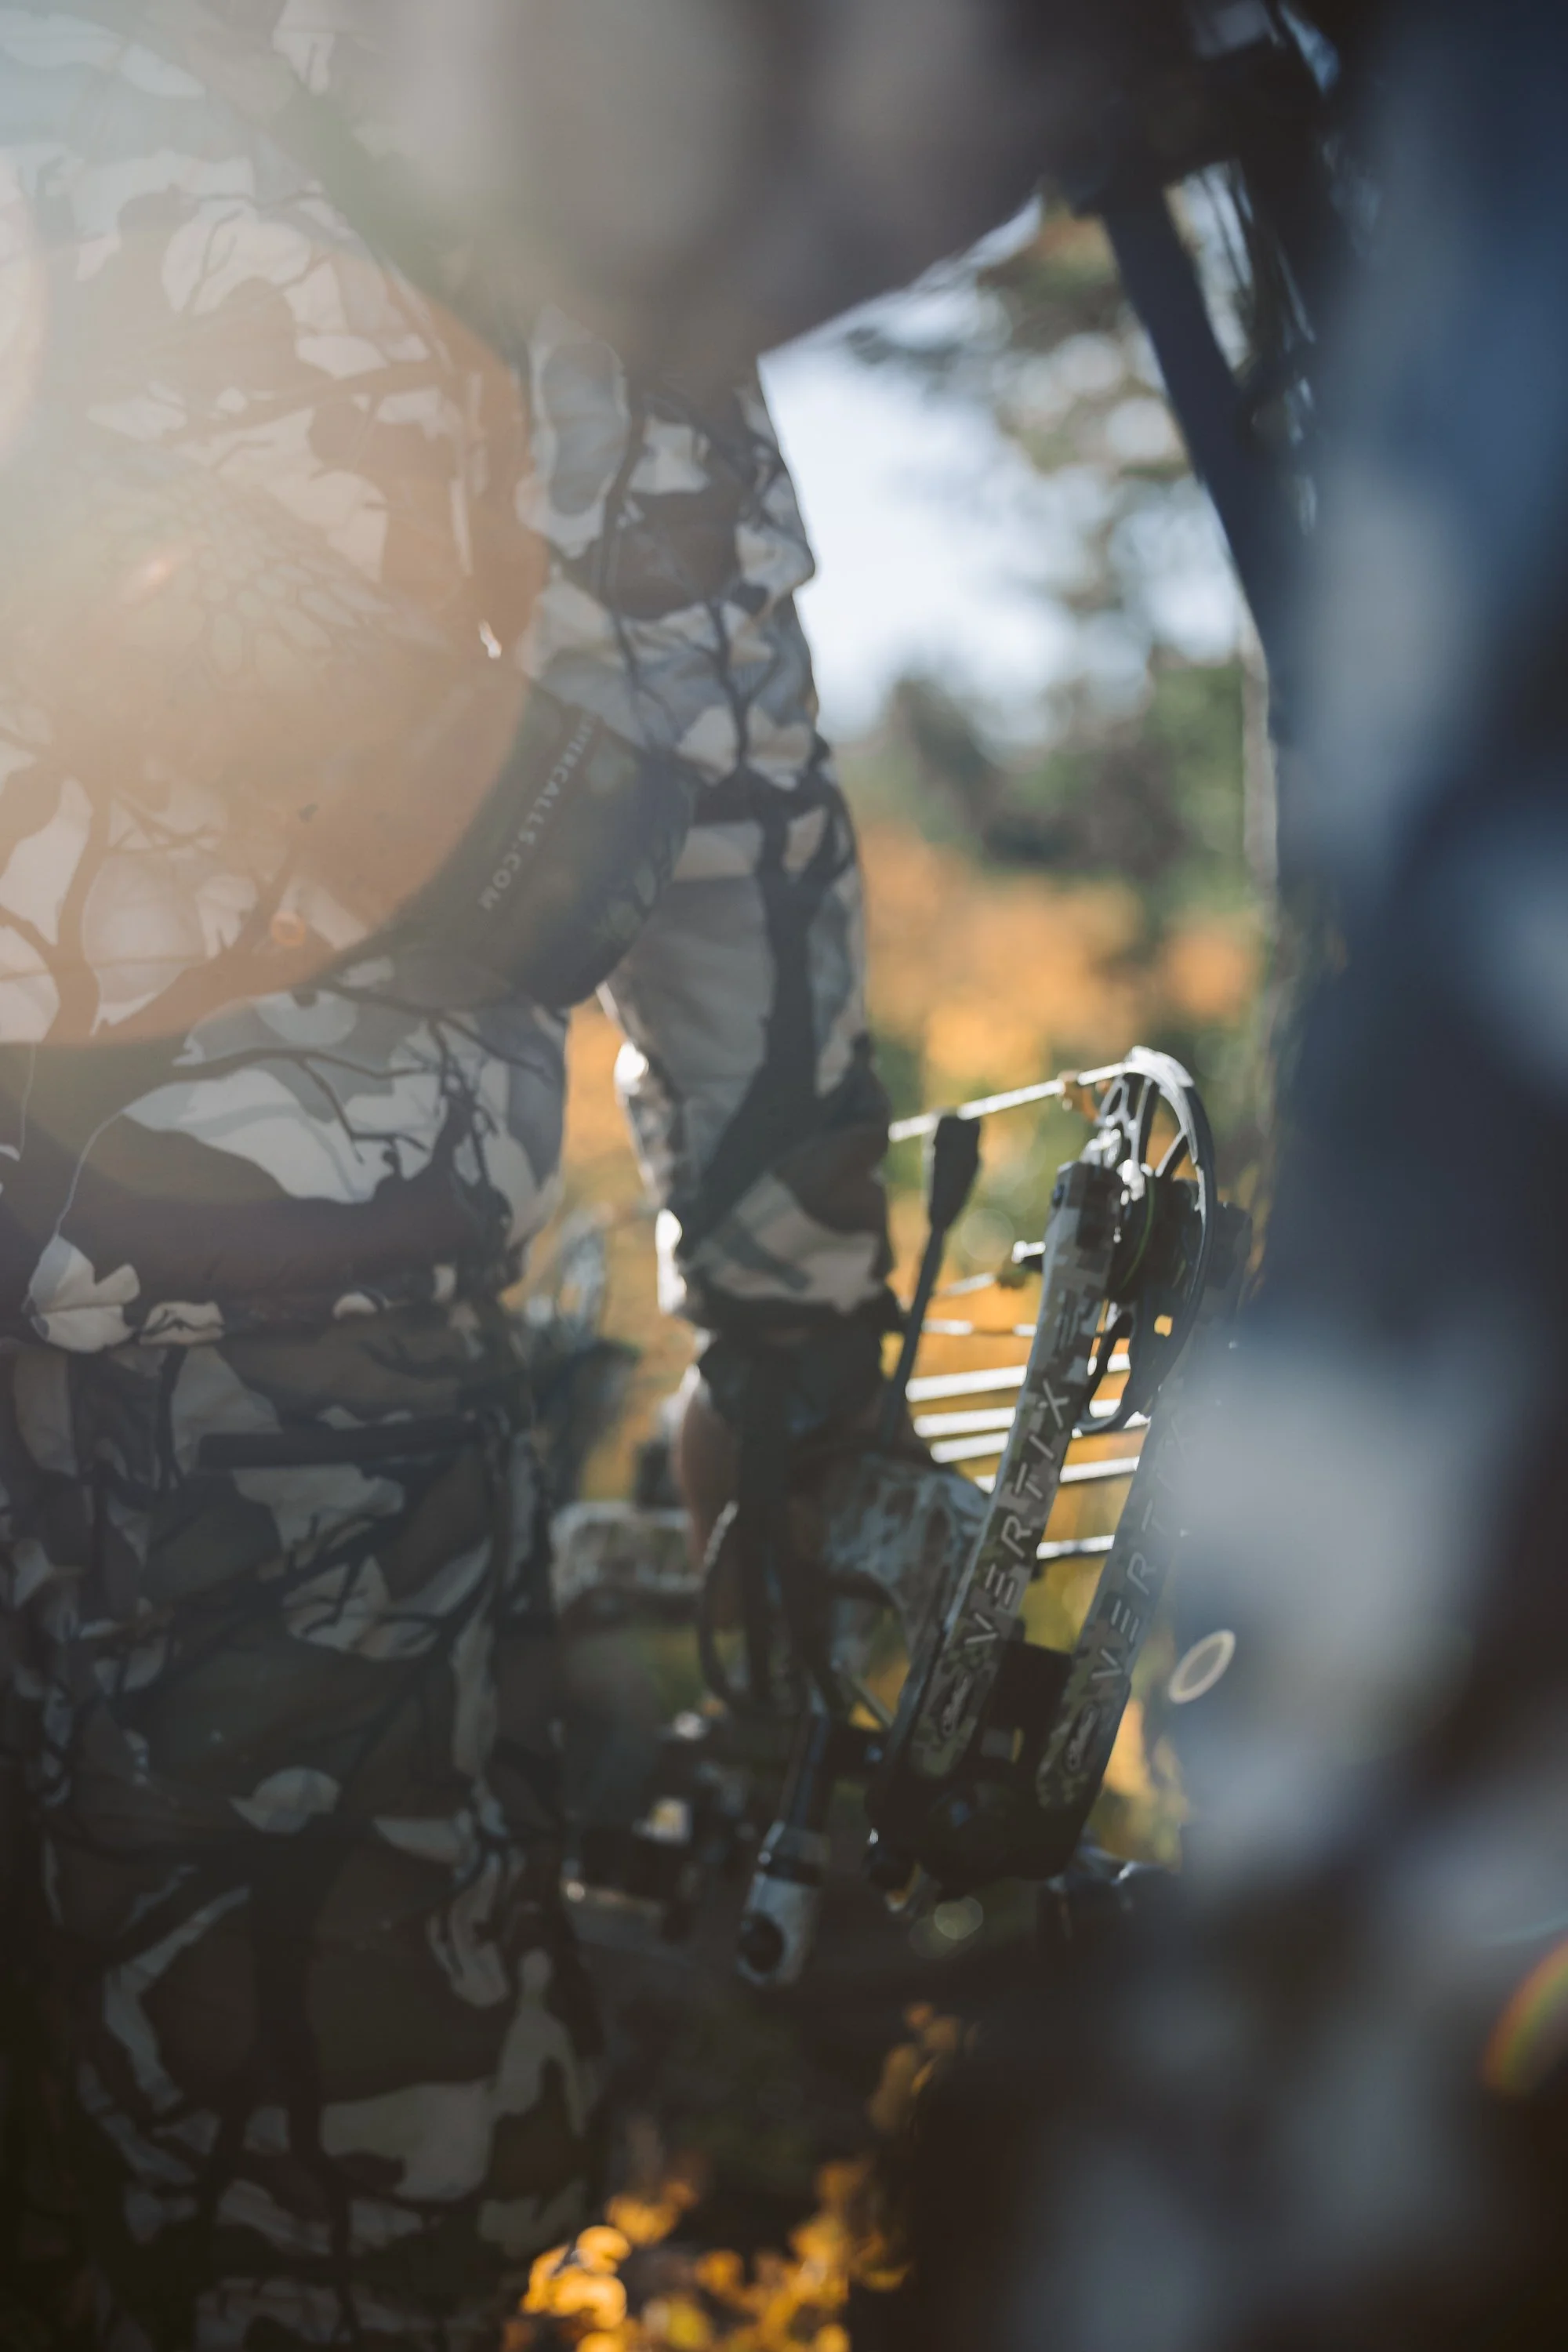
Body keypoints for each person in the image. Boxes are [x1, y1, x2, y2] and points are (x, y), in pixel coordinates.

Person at [0, 6, 895, 2344]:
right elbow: (725, 828)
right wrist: (796, 1372)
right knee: (326, 2240)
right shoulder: (557, 143)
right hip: (292, 1401)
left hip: (278, 1370)